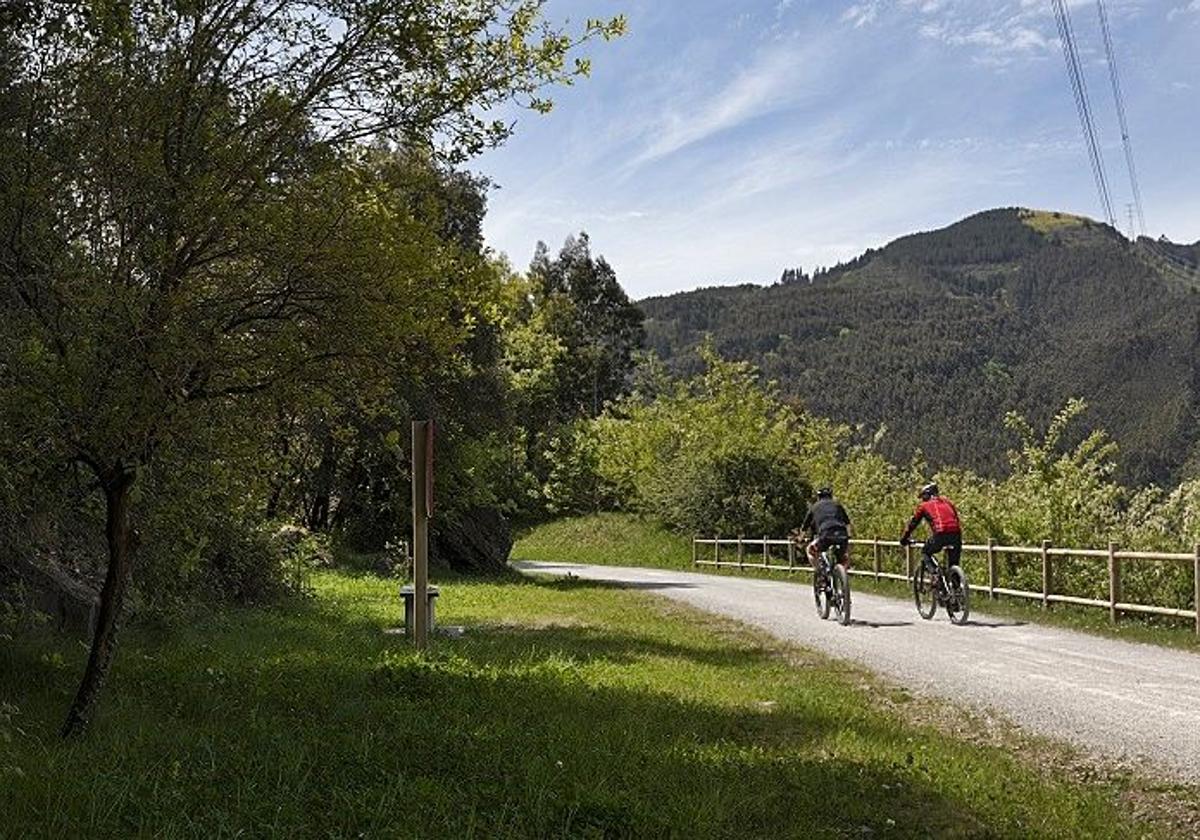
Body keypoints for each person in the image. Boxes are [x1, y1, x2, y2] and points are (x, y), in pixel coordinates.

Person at [899, 482, 962, 570]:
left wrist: (904, 538)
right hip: (956, 533)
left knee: (925, 552)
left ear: (928, 494)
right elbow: (956, 518)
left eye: (923, 496)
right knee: (954, 564)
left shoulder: (924, 506)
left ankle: (935, 575)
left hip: (940, 533)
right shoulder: (948, 502)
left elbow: (913, 523)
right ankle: (956, 580)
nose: (922, 499)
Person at [794, 486, 851, 576]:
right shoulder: (837, 505)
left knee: (810, 550)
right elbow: (847, 523)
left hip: (825, 535)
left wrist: (800, 538)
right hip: (842, 534)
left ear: (818, 497)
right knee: (844, 556)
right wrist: (849, 536)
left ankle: (820, 573)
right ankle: (843, 575)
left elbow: (805, 526)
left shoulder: (814, 507)